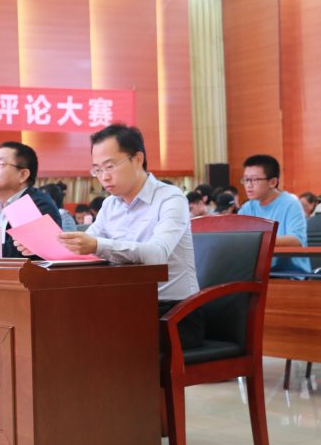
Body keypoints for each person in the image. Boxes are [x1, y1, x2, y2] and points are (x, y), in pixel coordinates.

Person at [14, 124, 203, 349]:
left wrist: (96, 245)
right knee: (55, 324)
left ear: (137, 159)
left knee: (89, 337)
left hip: (173, 313)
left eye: (110, 166)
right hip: (124, 306)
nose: (103, 177)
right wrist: (41, 245)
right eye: (97, 169)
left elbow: (156, 254)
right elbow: (82, 249)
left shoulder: (171, 198)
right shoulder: (110, 205)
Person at [237, 154, 310, 274]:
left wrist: (258, 239)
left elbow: (296, 240)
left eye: (254, 180)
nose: (249, 185)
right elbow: (235, 237)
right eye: (245, 180)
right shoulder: (247, 207)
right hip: (256, 271)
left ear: (272, 182)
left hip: (289, 272)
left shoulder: (291, 204)